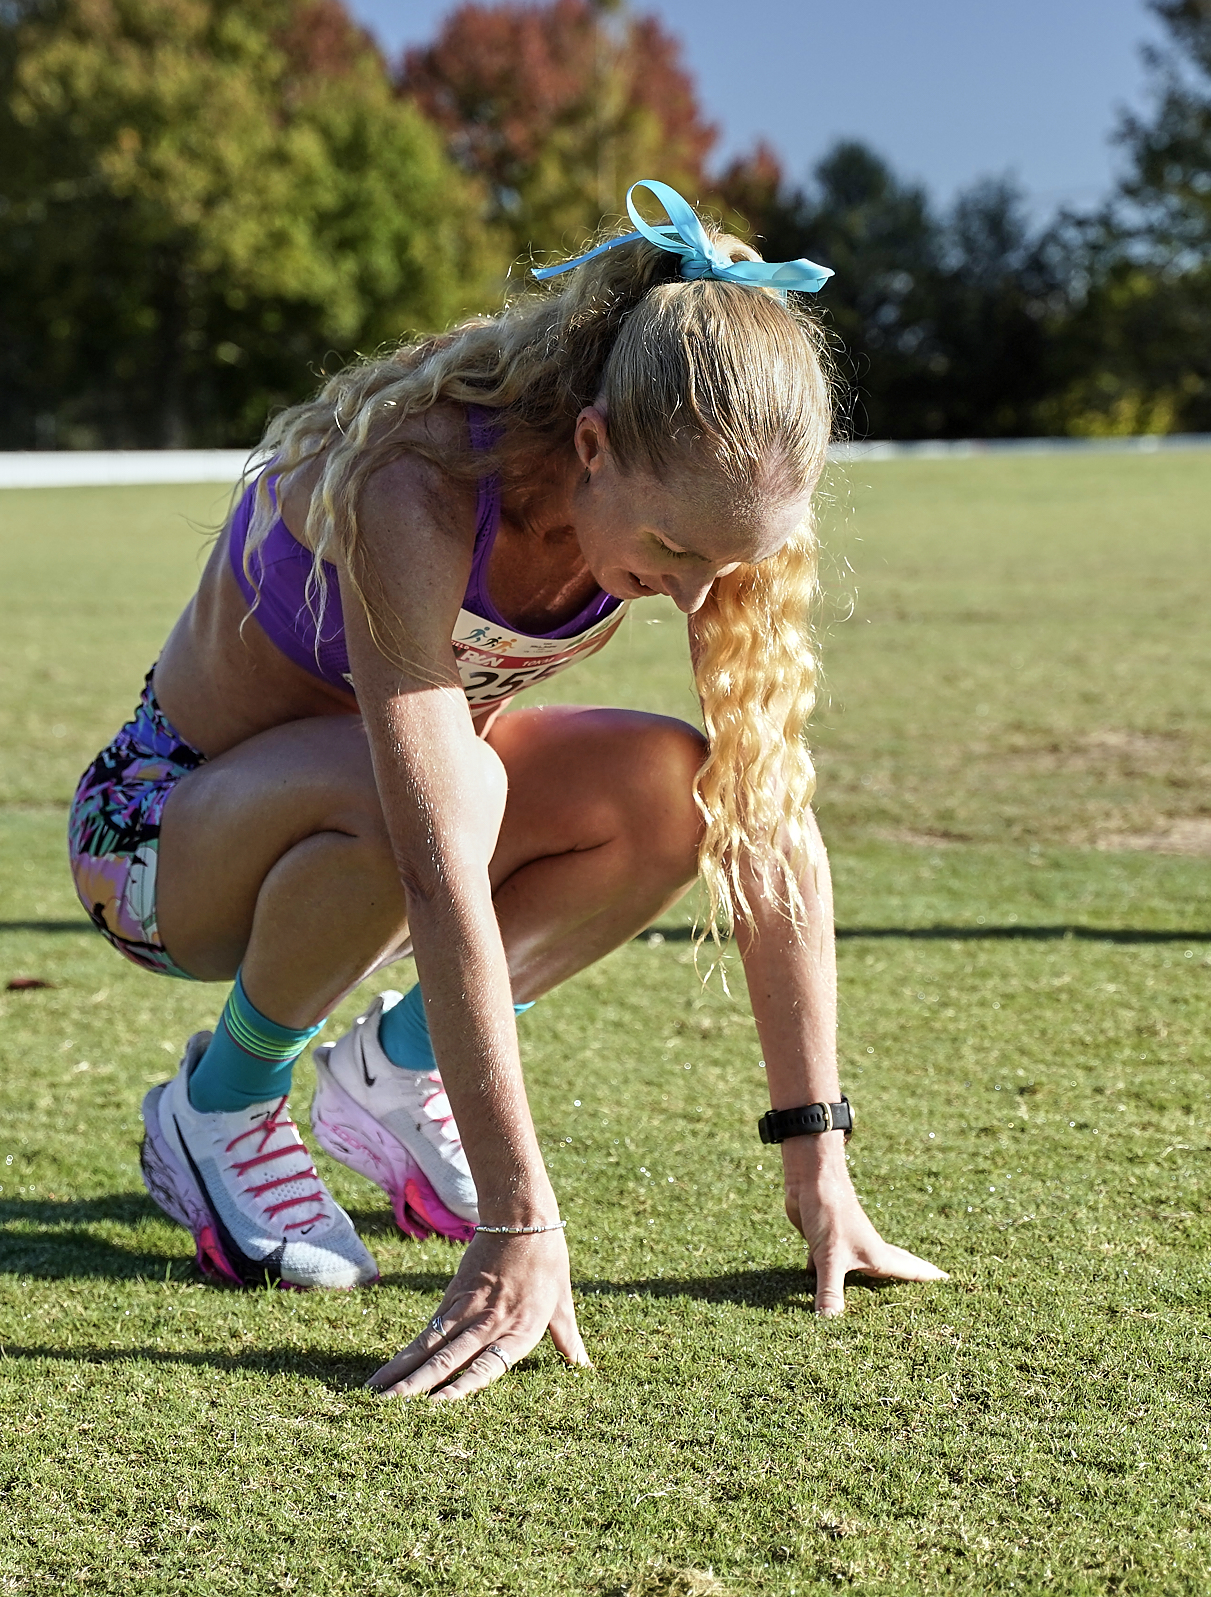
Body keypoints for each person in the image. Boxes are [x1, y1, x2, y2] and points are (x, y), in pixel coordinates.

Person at [66, 182, 944, 1401]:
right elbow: (435, 847)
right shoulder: (419, 481)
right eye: (673, 552)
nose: (695, 589)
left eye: (728, 561)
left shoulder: (706, 511)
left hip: (389, 826)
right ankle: (220, 1103)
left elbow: (766, 818)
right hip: (163, 842)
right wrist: (519, 1220)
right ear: (591, 445)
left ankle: (393, 1070)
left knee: (680, 793)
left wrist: (819, 1161)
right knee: (438, 790)